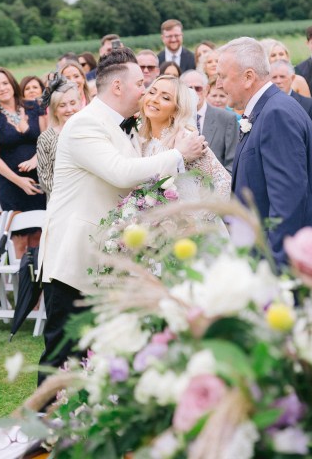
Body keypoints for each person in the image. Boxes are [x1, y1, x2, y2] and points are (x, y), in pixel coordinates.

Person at [37, 48, 206, 380]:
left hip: (104, 260)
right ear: (118, 87)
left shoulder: (122, 127)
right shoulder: (84, 123)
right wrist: (176, 154)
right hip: (73, 259)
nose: (144, 91)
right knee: (63, 353)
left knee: (93, 355)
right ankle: (45, 428)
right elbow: (121, 173)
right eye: (141, 84)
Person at [217, 37, 312, 267]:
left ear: (248, 77)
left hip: (295, 257)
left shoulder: (276, 114)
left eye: (222, 76)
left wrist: (273, 266)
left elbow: (287, 200)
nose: (218, 84)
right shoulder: (270, 108)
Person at [0, 68, 46, 258]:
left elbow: (47, 139)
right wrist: (19, 181)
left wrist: (36, 159)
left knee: (38, 237)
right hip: (12, 185)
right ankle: (22, 286)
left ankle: (40, 287)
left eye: (4, 83)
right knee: (20, 240)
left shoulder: (34, 107)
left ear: (12, 84)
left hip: (38, 180)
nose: (2, 88)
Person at [140, 75, 231, 203]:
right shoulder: (141, 140)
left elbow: (224, 182)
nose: (155, 99)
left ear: (176, 110)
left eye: (165, 98)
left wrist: (202, 217)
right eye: (152, 92)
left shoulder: (187, 140)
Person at [180, 70, 238, 174]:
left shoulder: (227, 119)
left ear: (206, 89)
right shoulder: (174, 118)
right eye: (189, 88)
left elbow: (233, 162)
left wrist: (217, 185)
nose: (193, 92)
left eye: (198, 88)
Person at [37, 77, 81, 200]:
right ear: (55, 111)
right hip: (61, 202)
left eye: (73, 103)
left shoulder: (90, 131)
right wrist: (70, 194)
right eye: (62, 105)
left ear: (79, 103)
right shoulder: (46, 138)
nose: (69, 109)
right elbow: (45, 178)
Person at [270, 60, 312, 149]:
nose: (278, 81)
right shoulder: (263, 104)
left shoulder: (309, 105)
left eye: (282, 77)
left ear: (293, 78)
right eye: (274, 77)